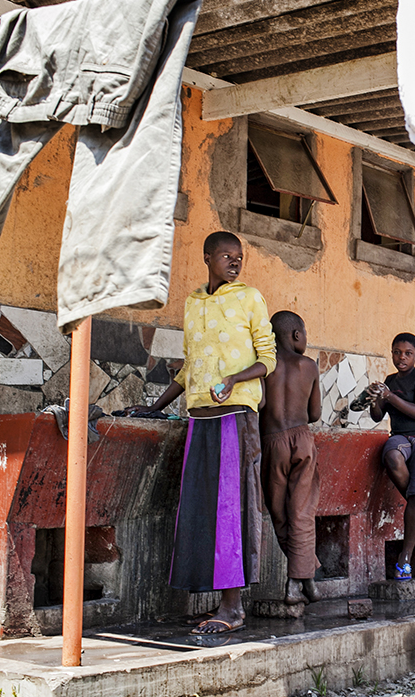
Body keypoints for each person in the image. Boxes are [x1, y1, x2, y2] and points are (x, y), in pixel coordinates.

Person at [128, 231, 275, 635]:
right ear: (207, 257)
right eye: (226, 256)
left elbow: (268, 358)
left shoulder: (250, 298)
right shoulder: (193, 303)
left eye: (239, 257)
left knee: (232, 509)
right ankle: (216, 600)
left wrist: (233, 379)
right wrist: (156, 406)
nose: (234, 262)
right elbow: (190, 365)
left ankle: (234, 608)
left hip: (236, 414)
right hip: (199, 416)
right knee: (200, 509)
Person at [369, 333, 415, 580]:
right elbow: (377, 416)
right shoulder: (389, 381)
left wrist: (390, 396)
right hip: (401, 438)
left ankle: (405, 558)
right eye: (397, 352)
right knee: (390, 455)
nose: (401, 357)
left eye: (407, 353)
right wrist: (375, 399)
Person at [260, 311, 322, 606]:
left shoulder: (263, 367)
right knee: (302, 511)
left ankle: (300, 580)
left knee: (280, 514)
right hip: (302, 440)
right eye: (305, 334)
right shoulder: (308, 366)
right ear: (297, 335)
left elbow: (258, 404)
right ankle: (301, 579)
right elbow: (315, 414)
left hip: (272, 443)